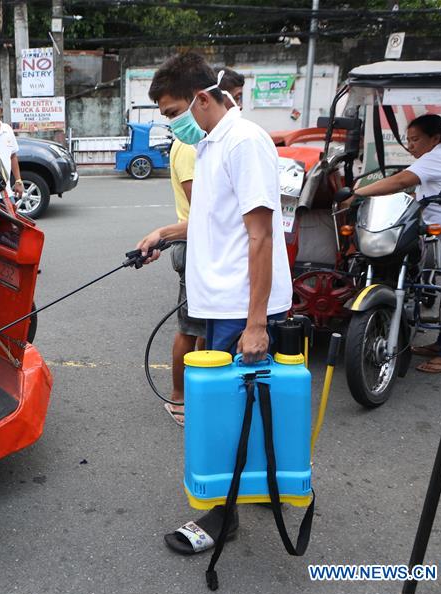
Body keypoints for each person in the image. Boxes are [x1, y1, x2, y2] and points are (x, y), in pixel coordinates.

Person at [136, 52, 292, 555]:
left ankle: (223, 517)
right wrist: (164, 233)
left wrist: (255, 324)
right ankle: (267, 484)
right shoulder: (210, 144)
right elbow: (212, 219)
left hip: (238, 307)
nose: (169, 122)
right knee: (248, 404)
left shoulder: (244, 143)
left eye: (171, 110)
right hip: (219, 303)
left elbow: (261, 235)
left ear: (202, 98)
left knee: (227, 411)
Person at [136, 67, 244, 426]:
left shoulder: (217, 141)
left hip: (203, 247)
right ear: (207, 97)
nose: (236, 105)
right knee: (190, 328)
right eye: (234, 97)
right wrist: (163, 235)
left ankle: (194, 394)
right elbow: (203, 215)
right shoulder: (189, 147)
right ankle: (180, 398)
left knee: (201, 331)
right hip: (192, 245)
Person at [342, 113, 441, 373]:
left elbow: (400, 181)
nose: (411, 146)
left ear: (435, 138)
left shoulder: (438, 157)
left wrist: (356, 194)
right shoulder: (436, 159)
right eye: (408, 140)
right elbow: (411, 192)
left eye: (416, 139)